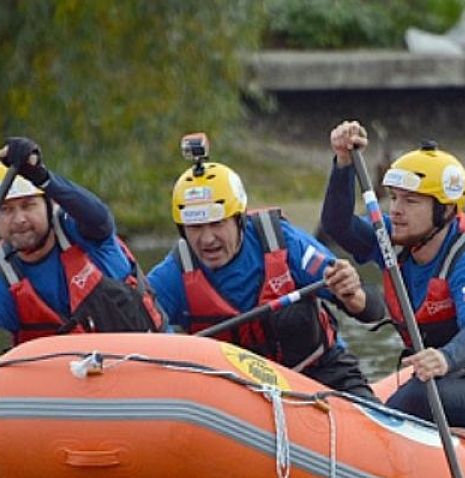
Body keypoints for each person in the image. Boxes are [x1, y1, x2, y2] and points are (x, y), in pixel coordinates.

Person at [321, 121, 465, 437]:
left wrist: (444, 358)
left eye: (410, 202)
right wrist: (343, 163)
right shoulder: (393, 241)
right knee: (412, 392)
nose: (396, 210)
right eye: (395, 198)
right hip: (450, 382)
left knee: (417, 395)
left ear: (445, 210)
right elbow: (337, 225)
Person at [0, 137, 163, 381]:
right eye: (7, 210)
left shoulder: (86, 235)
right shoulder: (2, 280)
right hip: (70, 391)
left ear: (48, 206)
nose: (19, 220)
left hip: (142, 371)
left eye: (28, 205)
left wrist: (44, 178)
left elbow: (99, 217)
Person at [145, 141, 383, 399]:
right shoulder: (172, 276)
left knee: (292, 315)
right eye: (195, 228)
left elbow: (372, 310)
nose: (207, 239)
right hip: (236, 399)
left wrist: (351, 293)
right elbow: (133, 333)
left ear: (239, 219)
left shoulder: (283, 242)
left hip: (321, 377)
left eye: (216, 224)